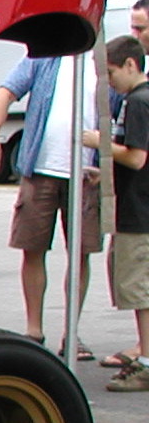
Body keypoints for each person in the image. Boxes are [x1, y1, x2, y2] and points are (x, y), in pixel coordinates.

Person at [0, 54, 101, 359]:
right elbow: (6, 91)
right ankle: (34, 330)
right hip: (40, 169)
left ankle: (71, 333)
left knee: (81, 254)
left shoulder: (102, 59)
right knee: (32, 248)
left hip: (87, 173)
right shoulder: (46, 56)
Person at [82, 37, 149, 389]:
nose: (109, 83)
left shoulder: (137, 102)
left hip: (139, 211)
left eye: (110, 74)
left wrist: (99, 143)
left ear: (130, 65)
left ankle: (146, 364)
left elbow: (137, 157)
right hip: (137, 204)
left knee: (139, 291)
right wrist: (104, 171)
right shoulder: (135, 100)